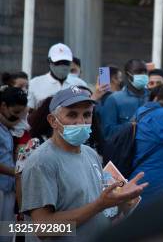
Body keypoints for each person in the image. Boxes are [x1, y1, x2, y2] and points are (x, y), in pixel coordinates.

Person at [20, 87, 148, 241]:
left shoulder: (90, 154)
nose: (81, 122)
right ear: (53, 121)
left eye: (87, 114)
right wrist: (99, 205)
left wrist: (121, 200)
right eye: (72, 114)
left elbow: (94, 205)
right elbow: (43, 228)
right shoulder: (41, 162)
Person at [99, 59, 149, 139]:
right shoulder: (113, 99)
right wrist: (131, 126)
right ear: (128, 75)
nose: (143, 75)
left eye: (145, 72)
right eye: (138, 72)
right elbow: (108, 132)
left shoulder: (153, 97)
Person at [0, 87, 27, 235]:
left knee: (6, 233)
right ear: (3, 106)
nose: (17, 117)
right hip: (3, 185)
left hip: (8, 186)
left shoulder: (6, 127)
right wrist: (15, 172)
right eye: (15, 112)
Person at [28, 43, 78, 109]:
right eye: (58, 62)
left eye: (66, 62)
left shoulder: (80, 84)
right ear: (49, 62)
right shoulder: (34, 84)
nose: (62, 65)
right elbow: (28, 112)